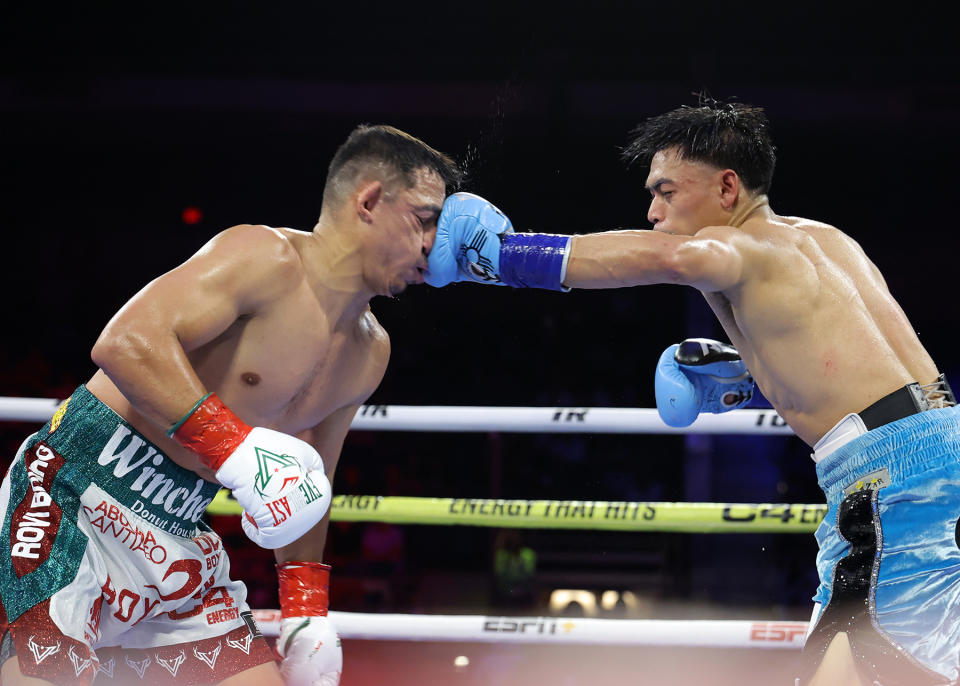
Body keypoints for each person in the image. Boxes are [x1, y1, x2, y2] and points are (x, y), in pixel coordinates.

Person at [425, 99, 959, 686]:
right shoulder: (829, 243)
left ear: (728, 187)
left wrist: (504, 256)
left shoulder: (739, 250)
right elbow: (862, 376)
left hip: (890, 489)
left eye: (667, 191)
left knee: (863, 668)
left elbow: (674, 257)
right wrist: (745, 382)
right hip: (930, 457)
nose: (652, 211)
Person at [0, 124, 460, 686]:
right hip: (74, 491)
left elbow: (314, 483)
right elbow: (124, 342)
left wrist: (305, 614)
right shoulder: (264, 256)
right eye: (424, 217)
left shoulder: (370, 351)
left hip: (180, 525)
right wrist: (234, 448)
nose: (436, 245)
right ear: (368, 200)